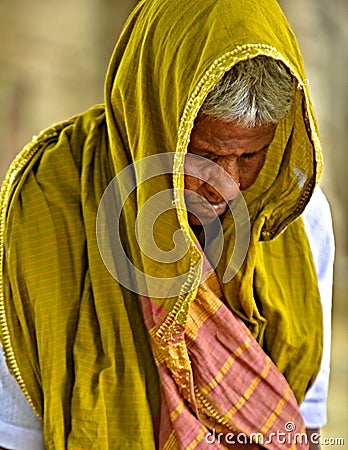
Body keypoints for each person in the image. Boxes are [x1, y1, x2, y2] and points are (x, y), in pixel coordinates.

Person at [0, 0, 334, 449]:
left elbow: (300, 427)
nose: (227, 187)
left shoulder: (294, 216)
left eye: (250, 156)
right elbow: (15, 433)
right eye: (206, 156)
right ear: (156, 121)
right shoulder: (43, 208)